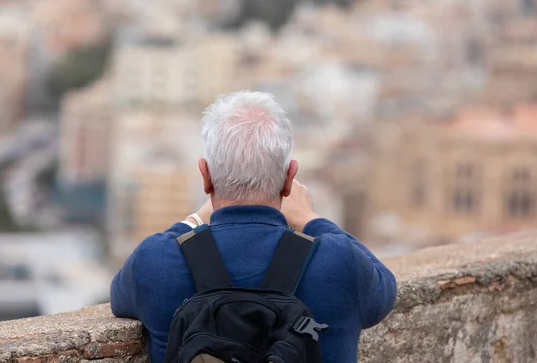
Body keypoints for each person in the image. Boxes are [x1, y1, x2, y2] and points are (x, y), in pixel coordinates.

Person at [110, 91, 397, 362]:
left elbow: (118, 298)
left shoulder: (156, 262)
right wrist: (312, 219)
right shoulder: (340, 263)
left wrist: (194, 220)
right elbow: (384, 288)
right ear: (289, 178)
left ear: (205, 176)